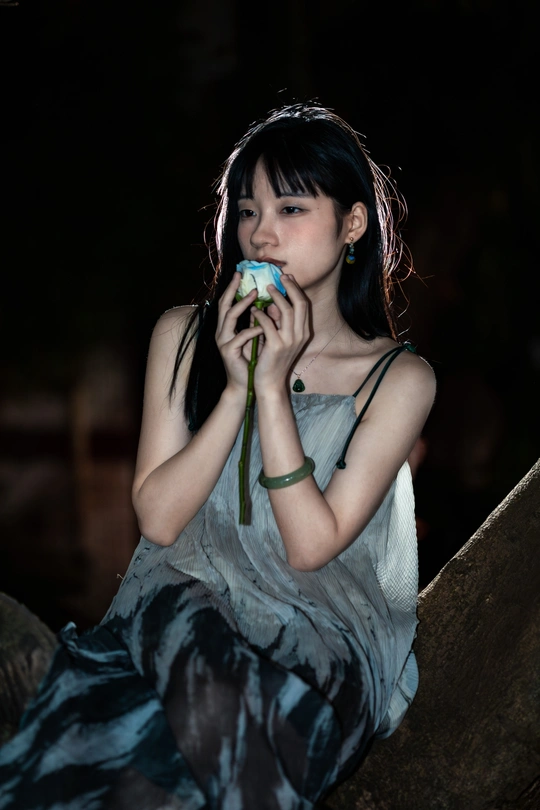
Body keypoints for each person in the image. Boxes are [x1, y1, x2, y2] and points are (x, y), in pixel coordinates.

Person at [0, 102, 436, 809]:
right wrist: (235, 387)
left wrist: (272, 392)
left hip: (314, 650)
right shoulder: (183, 336)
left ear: (353, 223)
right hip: (177, 618)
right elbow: (159, 520)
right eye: (248, 210)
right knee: (132, 711)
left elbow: (310, 546)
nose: (260, 232)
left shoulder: (399, 379)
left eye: (291, 208)